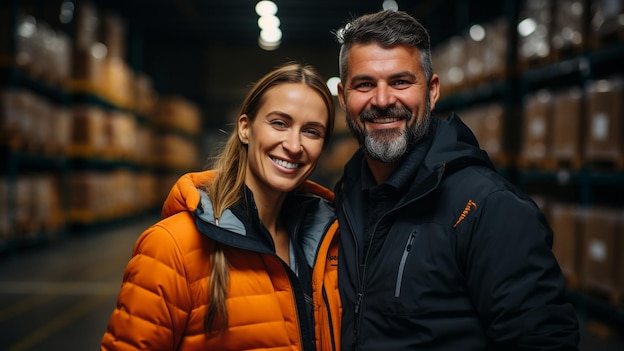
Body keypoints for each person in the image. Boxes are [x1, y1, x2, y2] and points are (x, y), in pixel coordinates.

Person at [333, 9, 579, 350]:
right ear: (344, 98)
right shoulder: (346, 200)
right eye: (365, 84)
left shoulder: (488, 208)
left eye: (401, 81)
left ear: (432, 91)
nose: (383, 100)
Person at [101, 62, 341, 351]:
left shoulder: (333, 246)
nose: (293, 144)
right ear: (245, 129)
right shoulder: (171, 247)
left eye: (312, 132)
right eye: (279, 123)